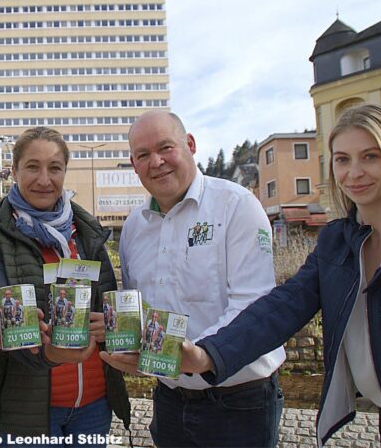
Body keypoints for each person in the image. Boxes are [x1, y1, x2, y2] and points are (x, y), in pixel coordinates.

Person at [180, 104, 381, 447]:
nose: (354, 173)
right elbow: (284, 306)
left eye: (370, 157)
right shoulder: (338, 241)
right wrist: (210, 353)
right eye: (342, 159)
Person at [101, 110, 286, 447]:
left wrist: (198, 355)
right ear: (133, 163)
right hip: (169, 399)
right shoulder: (132, 228)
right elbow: (138, 311)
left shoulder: (237, 206)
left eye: (165, 148)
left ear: (190, 144)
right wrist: (125, 341)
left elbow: (252, 305)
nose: (156, 162)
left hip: (239, 401)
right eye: (143, 155)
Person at [0, 126, 131, 446]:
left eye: (55, 168)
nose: (44, 180)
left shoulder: (86, 233)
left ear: (64, 172)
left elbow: (109, 302)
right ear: (15, 170)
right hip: (26, 408)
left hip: (94, 404)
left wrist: (111, 326)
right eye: (32, 166)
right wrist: (43, 349)